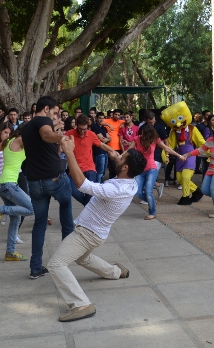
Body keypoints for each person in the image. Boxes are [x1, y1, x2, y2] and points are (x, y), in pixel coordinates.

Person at [47, 137, 146, 322]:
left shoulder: (114, 189)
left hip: (86, 234)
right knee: (83, 258)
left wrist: (69, 152)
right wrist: (116, 156)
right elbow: (120, 165)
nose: (119, 155)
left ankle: (81, 304)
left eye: (122, 156)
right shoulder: (130, 182)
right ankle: (116, 272)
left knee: (56, 264)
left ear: (125, 168)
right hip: (97, 233)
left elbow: (83, 185)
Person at [21, 96, 74, 280]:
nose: (55, 115)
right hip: (54, 179)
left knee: (39, 224)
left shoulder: (26, 126)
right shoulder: (42, 121)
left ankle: (35, 268)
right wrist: (62, 137)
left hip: (35, 182)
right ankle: (65, 261)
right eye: (54, 112)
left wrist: (55, 128)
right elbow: (45, 134)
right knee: (66, 211)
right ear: (45, 109)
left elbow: (42, 140)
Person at [0, 123, 34, 260]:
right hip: (9, 184)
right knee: (32, 209)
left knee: (16, 217)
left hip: (3, 184)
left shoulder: (7, 141)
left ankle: (10, 252)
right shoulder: (20, 140)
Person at [128, 124, 182, 220]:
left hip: (151, 169)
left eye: (145, 134)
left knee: (148, 191)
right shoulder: (136, 139)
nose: (143, 135)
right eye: (142, 133)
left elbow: (167, 148)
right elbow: (129, 150)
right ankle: (152, 201)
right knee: (137, 192)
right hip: (140, 169)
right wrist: (120, 157)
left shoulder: (155, 139)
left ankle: (152, 212)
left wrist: (179, 156)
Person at [65, 114, 119, 206]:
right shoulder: (70, 134)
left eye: (84, 129)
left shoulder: (91, 134)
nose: (82, 131)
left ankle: (89, 208)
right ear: (76, 125)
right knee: (72, 190)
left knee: (90, 193)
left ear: (88, 126)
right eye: (80, 129)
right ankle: (90, 207)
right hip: (74, 169)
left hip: (89, 168)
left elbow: (101, 145)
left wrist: (113, 150)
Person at [92, 112, 111, 183]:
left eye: (103, 118)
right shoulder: (95, 127)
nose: (101, 120)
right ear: (96, 118)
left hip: (105, 152)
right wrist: (106, 139)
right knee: (99, 172)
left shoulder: (104, 128)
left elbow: (109, 138)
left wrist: (105, 139)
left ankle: (101, 185)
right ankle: (98, 187)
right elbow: (102, 139)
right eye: (100, 118)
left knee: (103, 172)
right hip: (98, 152)